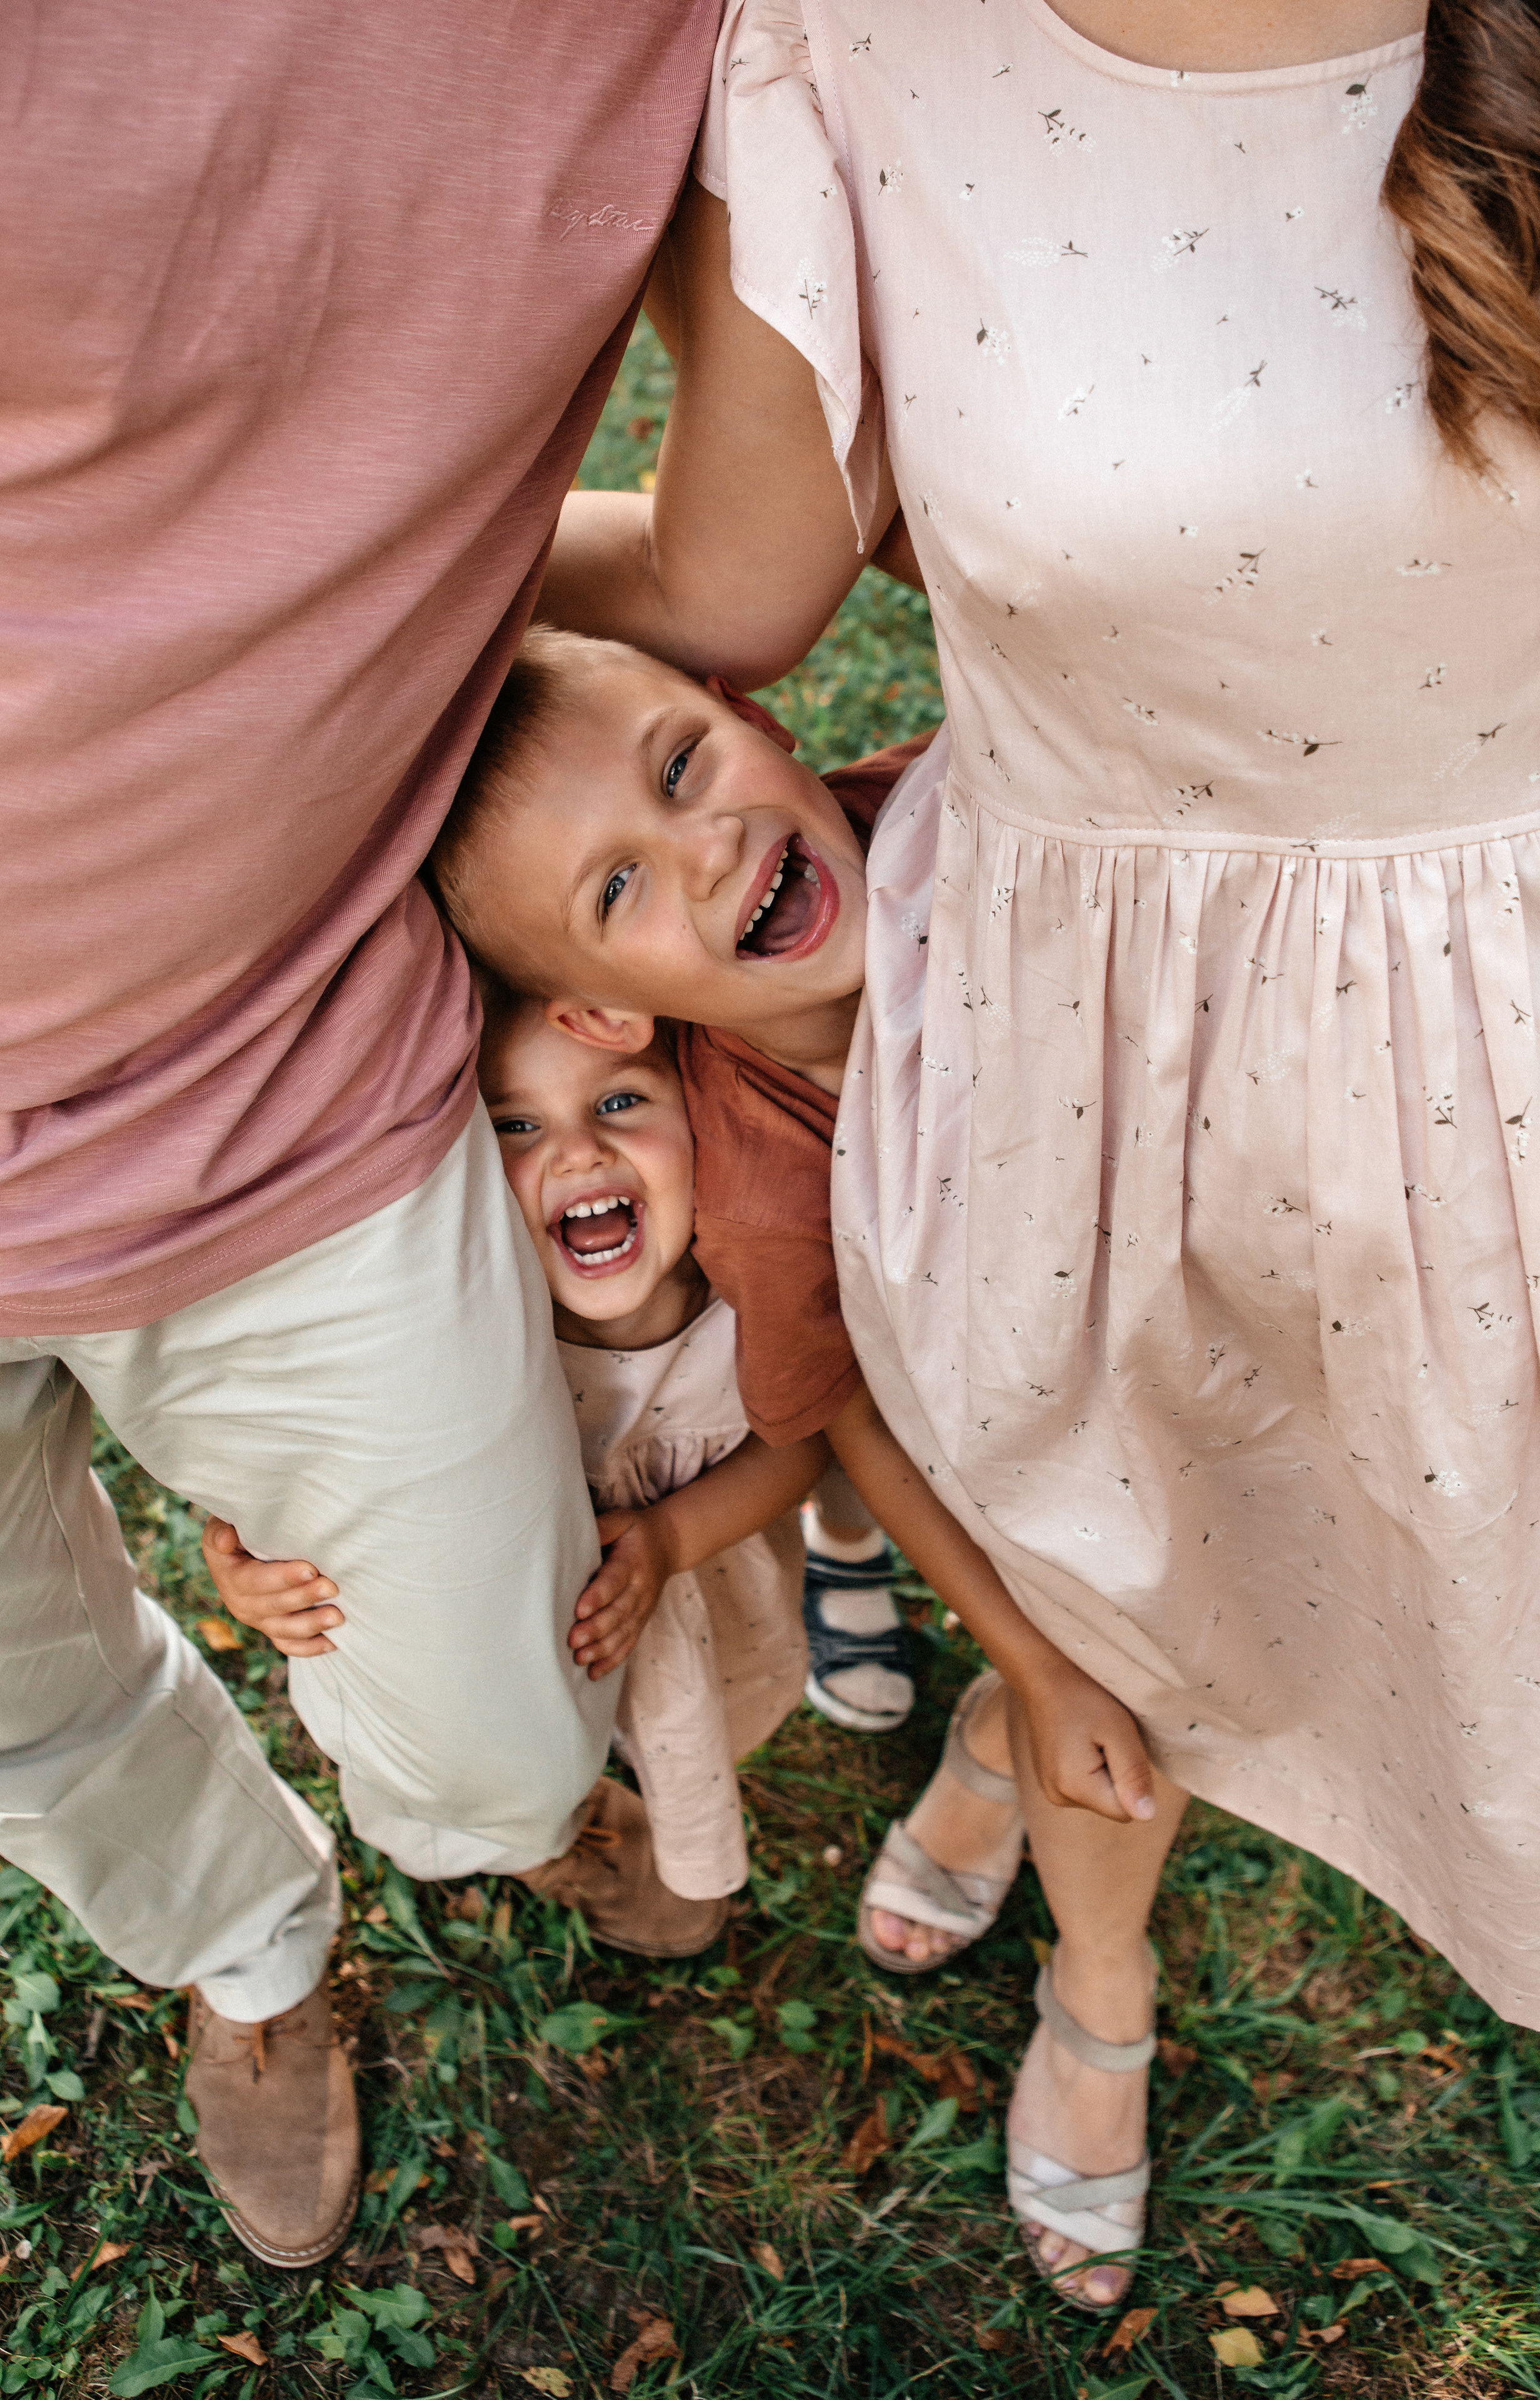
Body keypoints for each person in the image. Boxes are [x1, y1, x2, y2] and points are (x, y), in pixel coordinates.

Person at [538, 0, 1540, 2310]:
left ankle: (996, 1730)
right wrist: (303, 610)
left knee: (1359, 1562)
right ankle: (1103, 1975)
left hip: (1489, 1078)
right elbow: (737, 586)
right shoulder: (844, 35)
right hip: (1094, 1062)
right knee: (1093, 1555)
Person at [0, 0, 721, 2271]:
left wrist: (368, 578)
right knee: (15, 1708)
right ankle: (254, 1960)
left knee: (503, 1738)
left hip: (282, 1090)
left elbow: (744, 571)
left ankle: (484, 1812)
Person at [209, 639, 1156, 1936]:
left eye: (679, 766)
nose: (703, 847)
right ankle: (841, 1580)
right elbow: (831, 1422)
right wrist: (255, 1565)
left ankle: (848, 1560)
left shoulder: (981, 820)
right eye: (618, 884)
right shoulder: (752, 1213)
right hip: (888, 1389)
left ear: (742, 709)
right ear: (600, 1007)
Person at [209, 996, 826, 1950]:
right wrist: (250, 1572)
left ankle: (651, 1811)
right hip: (493, 1631)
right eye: (516, 1125)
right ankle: (525, 1840)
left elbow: (800, 1443)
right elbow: (324, 1462)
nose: (578, 1152)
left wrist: (670, 1539)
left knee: (679, 1723)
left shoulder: (744, 1297)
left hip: (692, 1598)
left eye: (621, 1102)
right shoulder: (452, 1336)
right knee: (496, 1750)